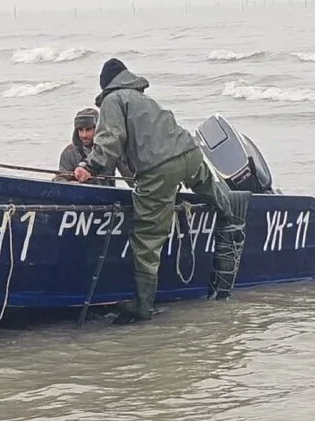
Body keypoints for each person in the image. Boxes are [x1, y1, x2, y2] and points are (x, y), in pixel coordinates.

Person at [73, 58, 247, 324]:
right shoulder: (142, 99)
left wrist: (90, 166)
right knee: (217, 197)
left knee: (146, 238)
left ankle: (142, 306)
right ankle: (233, 215)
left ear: (105, 84)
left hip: (159, 169)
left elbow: (110, 139)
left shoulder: (113, 100)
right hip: (190, 153)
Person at [53, 107, 135, 187]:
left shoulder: (111, 149)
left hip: (108, 195)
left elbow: (129, 177)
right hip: (79, 196)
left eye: (88, 129)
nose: (84, 135)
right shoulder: (69, 152)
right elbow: (59, 180)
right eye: (80, 130)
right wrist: (76, 185)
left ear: (98, 129)